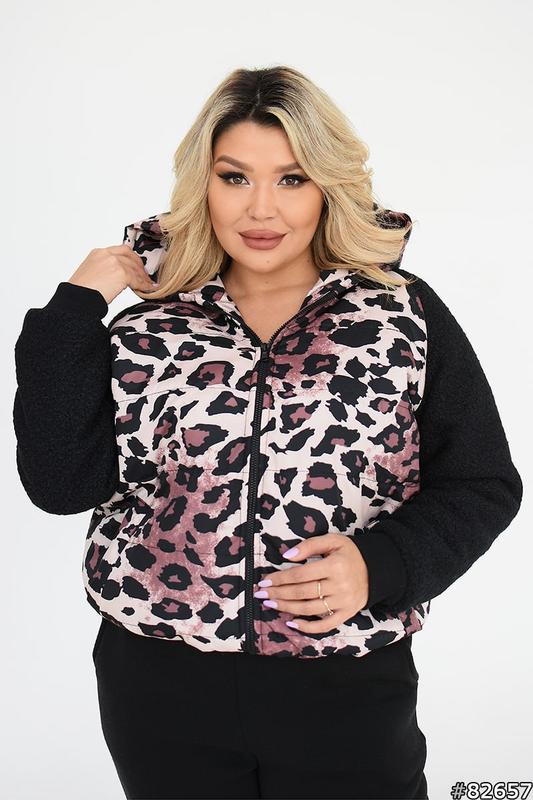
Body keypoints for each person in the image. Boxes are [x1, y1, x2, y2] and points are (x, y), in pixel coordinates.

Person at [13, 65, 522, 800]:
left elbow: (481, 482)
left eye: (291, 179)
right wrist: (71, 312)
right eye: (234, 177)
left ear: (327, 187)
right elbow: (60, 486)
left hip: (344, 683)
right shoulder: (147, 324)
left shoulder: (398, 316)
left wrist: (381, 565)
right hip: (157, 684)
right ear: (203, 184)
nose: (260, 208)